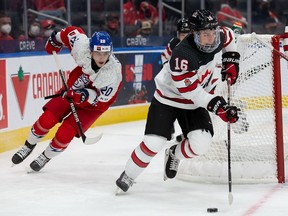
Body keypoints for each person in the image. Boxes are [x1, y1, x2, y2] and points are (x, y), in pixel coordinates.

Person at [115, 9, 240, 193]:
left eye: (212, 33)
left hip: (194, 104)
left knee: (201, 143)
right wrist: (218, 106)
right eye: (205, 35)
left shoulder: (220, 36)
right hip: (168, 99)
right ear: (194, 34)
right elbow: (193, 92)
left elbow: (229, 37)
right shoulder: (182, 55)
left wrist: (232, 59)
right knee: (153, 143)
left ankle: (174, 153)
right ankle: (129, 174)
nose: (211, 38)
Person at [11, 26, 122, 172]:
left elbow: (100, 100)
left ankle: (46, 156)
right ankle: (28, 146)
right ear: (90, 51)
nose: (102, 57)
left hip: (92, 107)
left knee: (65, 134)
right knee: (46, 119)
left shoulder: (113, 74)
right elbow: (71, 32)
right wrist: (55, 40)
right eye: (98, 53)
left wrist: (83, 95)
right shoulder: (82, 47)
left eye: (105, 53)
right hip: (71, 91)